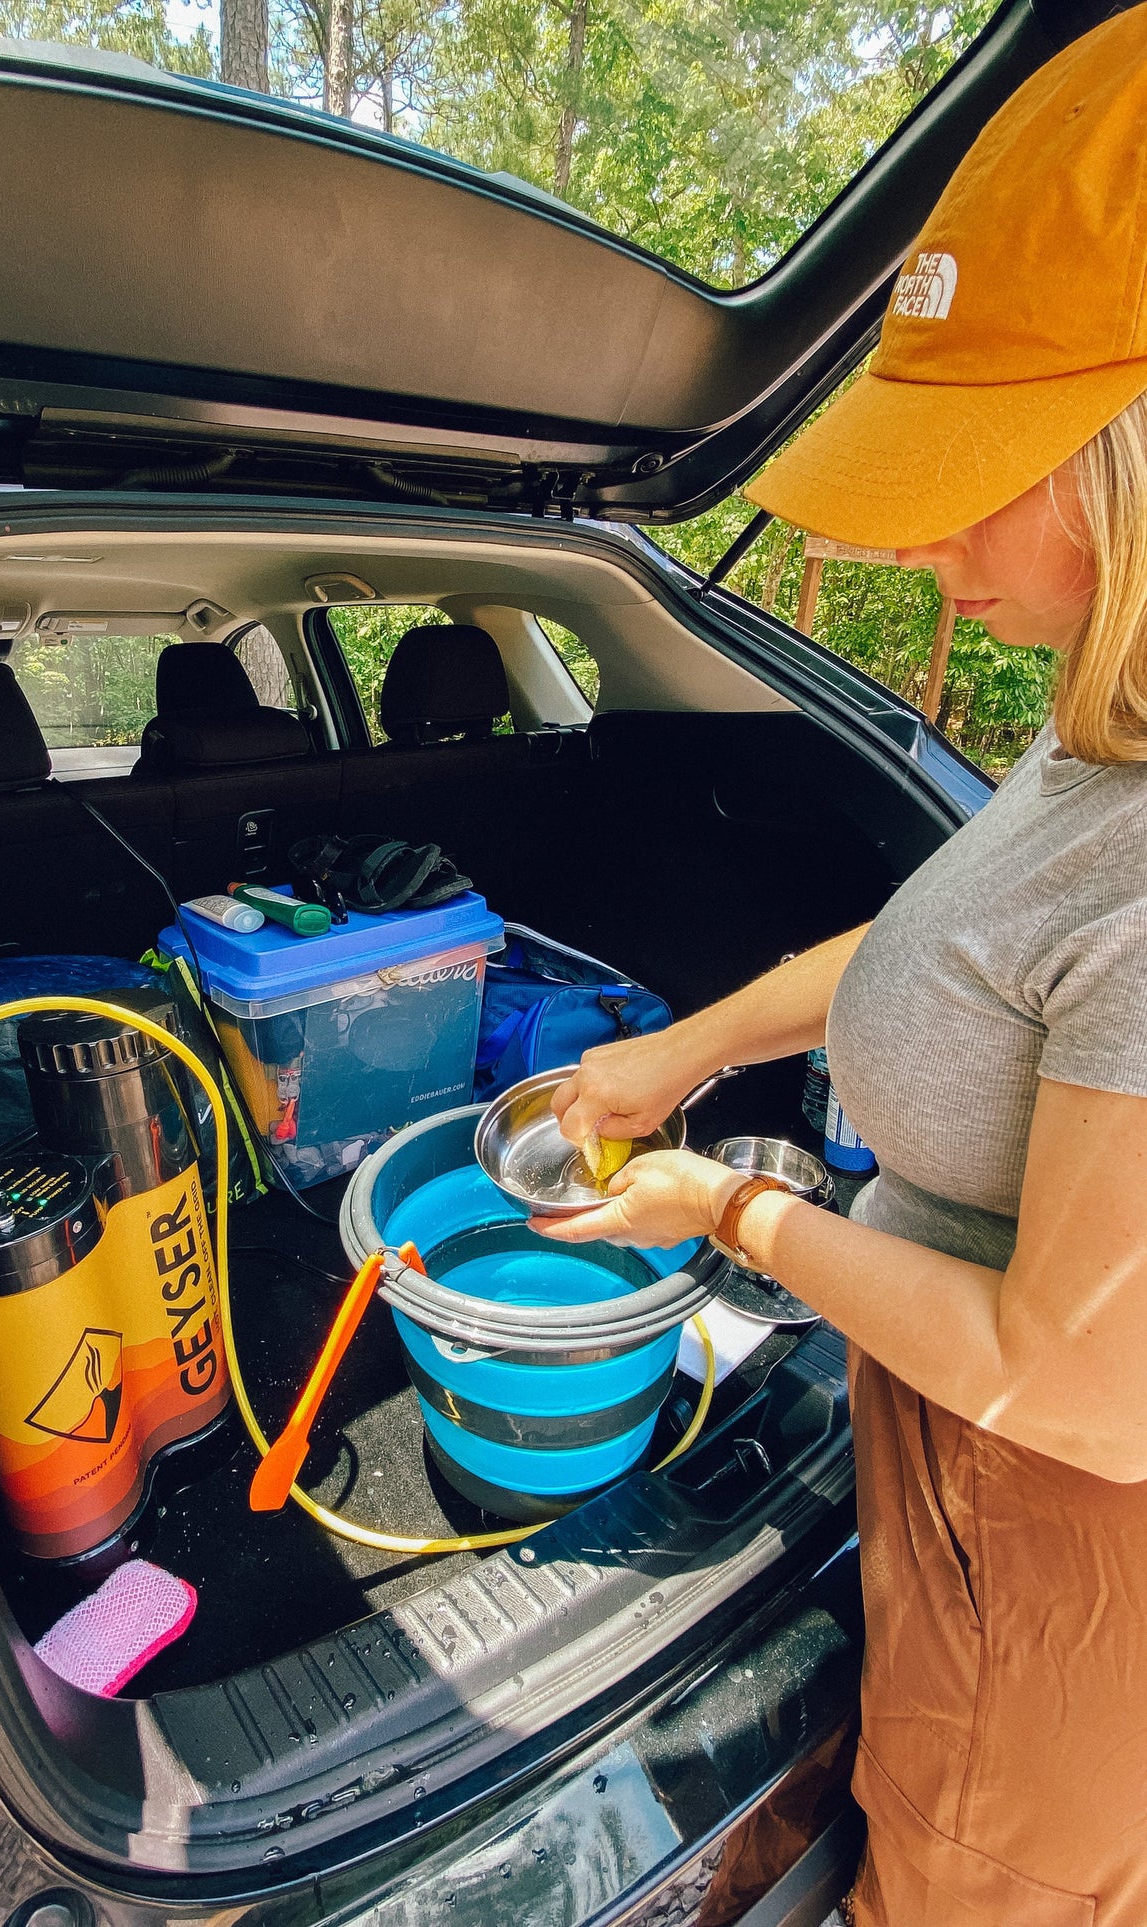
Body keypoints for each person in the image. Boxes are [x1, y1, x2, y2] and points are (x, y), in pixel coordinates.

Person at [534, 13, 1147, 1925]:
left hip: (1051, 1549)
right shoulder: (1104, 723)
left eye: (978, 474)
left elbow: (1087, 1393)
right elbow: (954, 952)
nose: (935, 551)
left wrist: (723, 1209)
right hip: (952, 1472)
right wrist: (679, 1057)